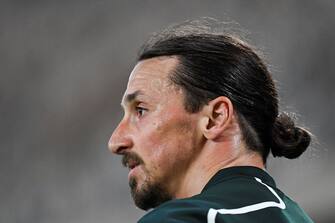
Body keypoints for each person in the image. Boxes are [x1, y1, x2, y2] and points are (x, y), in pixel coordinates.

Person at [108, 19, 314, 223]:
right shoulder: (298, 217)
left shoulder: (182, 219)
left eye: (141, 110)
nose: (115, 142)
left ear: (215, 118)